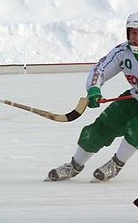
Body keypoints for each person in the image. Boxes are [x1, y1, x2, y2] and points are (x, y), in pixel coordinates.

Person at [47, 12, 138, 182]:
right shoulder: (122, 52)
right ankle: (74, 166)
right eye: (134, 32)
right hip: (134, 98)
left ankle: (116, 164)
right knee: (103, 126)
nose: (137, 37)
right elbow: (100, 70)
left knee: (137, 128)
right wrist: (94, 89)